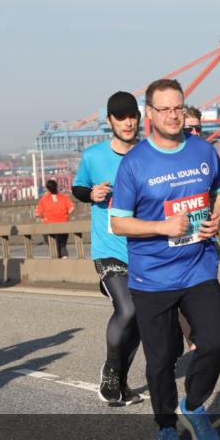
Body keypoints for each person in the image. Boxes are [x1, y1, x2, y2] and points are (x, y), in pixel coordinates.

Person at [111, 78, 220, 440]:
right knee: (161, 360)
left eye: (178, 107)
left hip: (198, 266)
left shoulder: (203, 150)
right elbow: (118, 223)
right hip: (152, 277)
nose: (173, 115)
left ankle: (193, 404)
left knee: (216, 343)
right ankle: (165, 425)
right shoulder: (134, 163)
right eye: (164, 109)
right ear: (150, 113)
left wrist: (218, 218)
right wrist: (162, 227)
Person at [72, 91, 144, 406]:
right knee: (128, 308)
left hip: (143, 249)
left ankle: (120, 382)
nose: (128, 123)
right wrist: (91, 194)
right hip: (108, 249)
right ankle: (112, 370)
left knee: (139, 316)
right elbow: (78, 187)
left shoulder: (149, 154)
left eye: (132, 116)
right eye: (120, 117)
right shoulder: (94, 156)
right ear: (110, 121)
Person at [36, 179, 75, 258]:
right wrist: (65, 214)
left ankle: (57, 257)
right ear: (56, 186)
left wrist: (42, 218)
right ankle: (64, 257)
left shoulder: (43, 199)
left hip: (49, 225)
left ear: (47, 188)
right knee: (62, 245)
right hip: (63, 224)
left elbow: (37, 214)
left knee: (53, 245)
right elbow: (72, 208)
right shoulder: (64, 197)